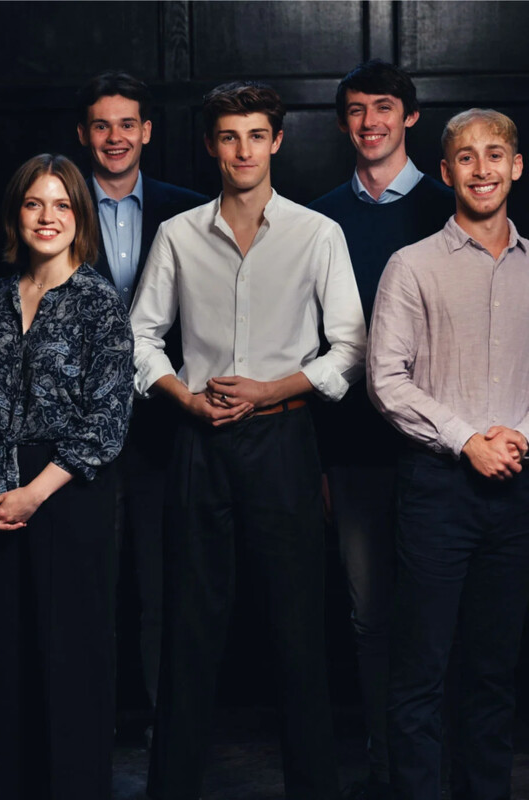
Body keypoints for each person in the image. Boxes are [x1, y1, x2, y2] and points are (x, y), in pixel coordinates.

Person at [130, 81, 367, 800]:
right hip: (198, 443)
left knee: (298, 630)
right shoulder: (178, 234)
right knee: (189, 627)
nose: (243, 150)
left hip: (283, 440)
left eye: (256, 135)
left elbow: (350, 347)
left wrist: (270, 390)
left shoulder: (317, 234)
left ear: (276, 142)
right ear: (211, 145)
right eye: (229, 137)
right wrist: (183, 398)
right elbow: (139, 336)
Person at [0, 153, 133, 800]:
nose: (47, 217)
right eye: (35, 203)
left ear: (80, 216)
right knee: (9, 656)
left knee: (71, 656)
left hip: (67, 490)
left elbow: (107, 420)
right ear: (17, 213)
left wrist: (34, 494)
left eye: (62, 204)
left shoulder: (99, 301)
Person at [367, 109, 529, 800]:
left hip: (517, 489)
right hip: (436, 489)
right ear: (446, 171)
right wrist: (467, 439)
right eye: (466, 157)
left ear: (516, 166)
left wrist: (516, 437)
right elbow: (385, 379)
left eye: (495, 154)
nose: (482, 168)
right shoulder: (411, 266)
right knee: (420, 672)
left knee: (494, 673)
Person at [308, 60, 453, 800]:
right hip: (353, 451)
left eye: (385, 107)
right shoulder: (319, 217)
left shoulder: (449, 205)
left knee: (437, 616)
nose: (371, 122)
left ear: (410, 117)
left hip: (439, 450)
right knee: (369, 616)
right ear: (343, 123)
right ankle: (386, 765)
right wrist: (320, 461)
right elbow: (311, 343)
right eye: (358, 110)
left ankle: (433, 767)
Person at [77, 70, 207, 712]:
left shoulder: (190, 210)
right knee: (89, 584)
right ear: (83, 134)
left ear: (147, 131)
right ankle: (89, 724)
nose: (115, 137)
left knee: (163, 583)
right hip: (77, 428)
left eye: (127, 124)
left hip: (165, 424)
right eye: (102, 125)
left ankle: (162, 723)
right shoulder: (54, 207)